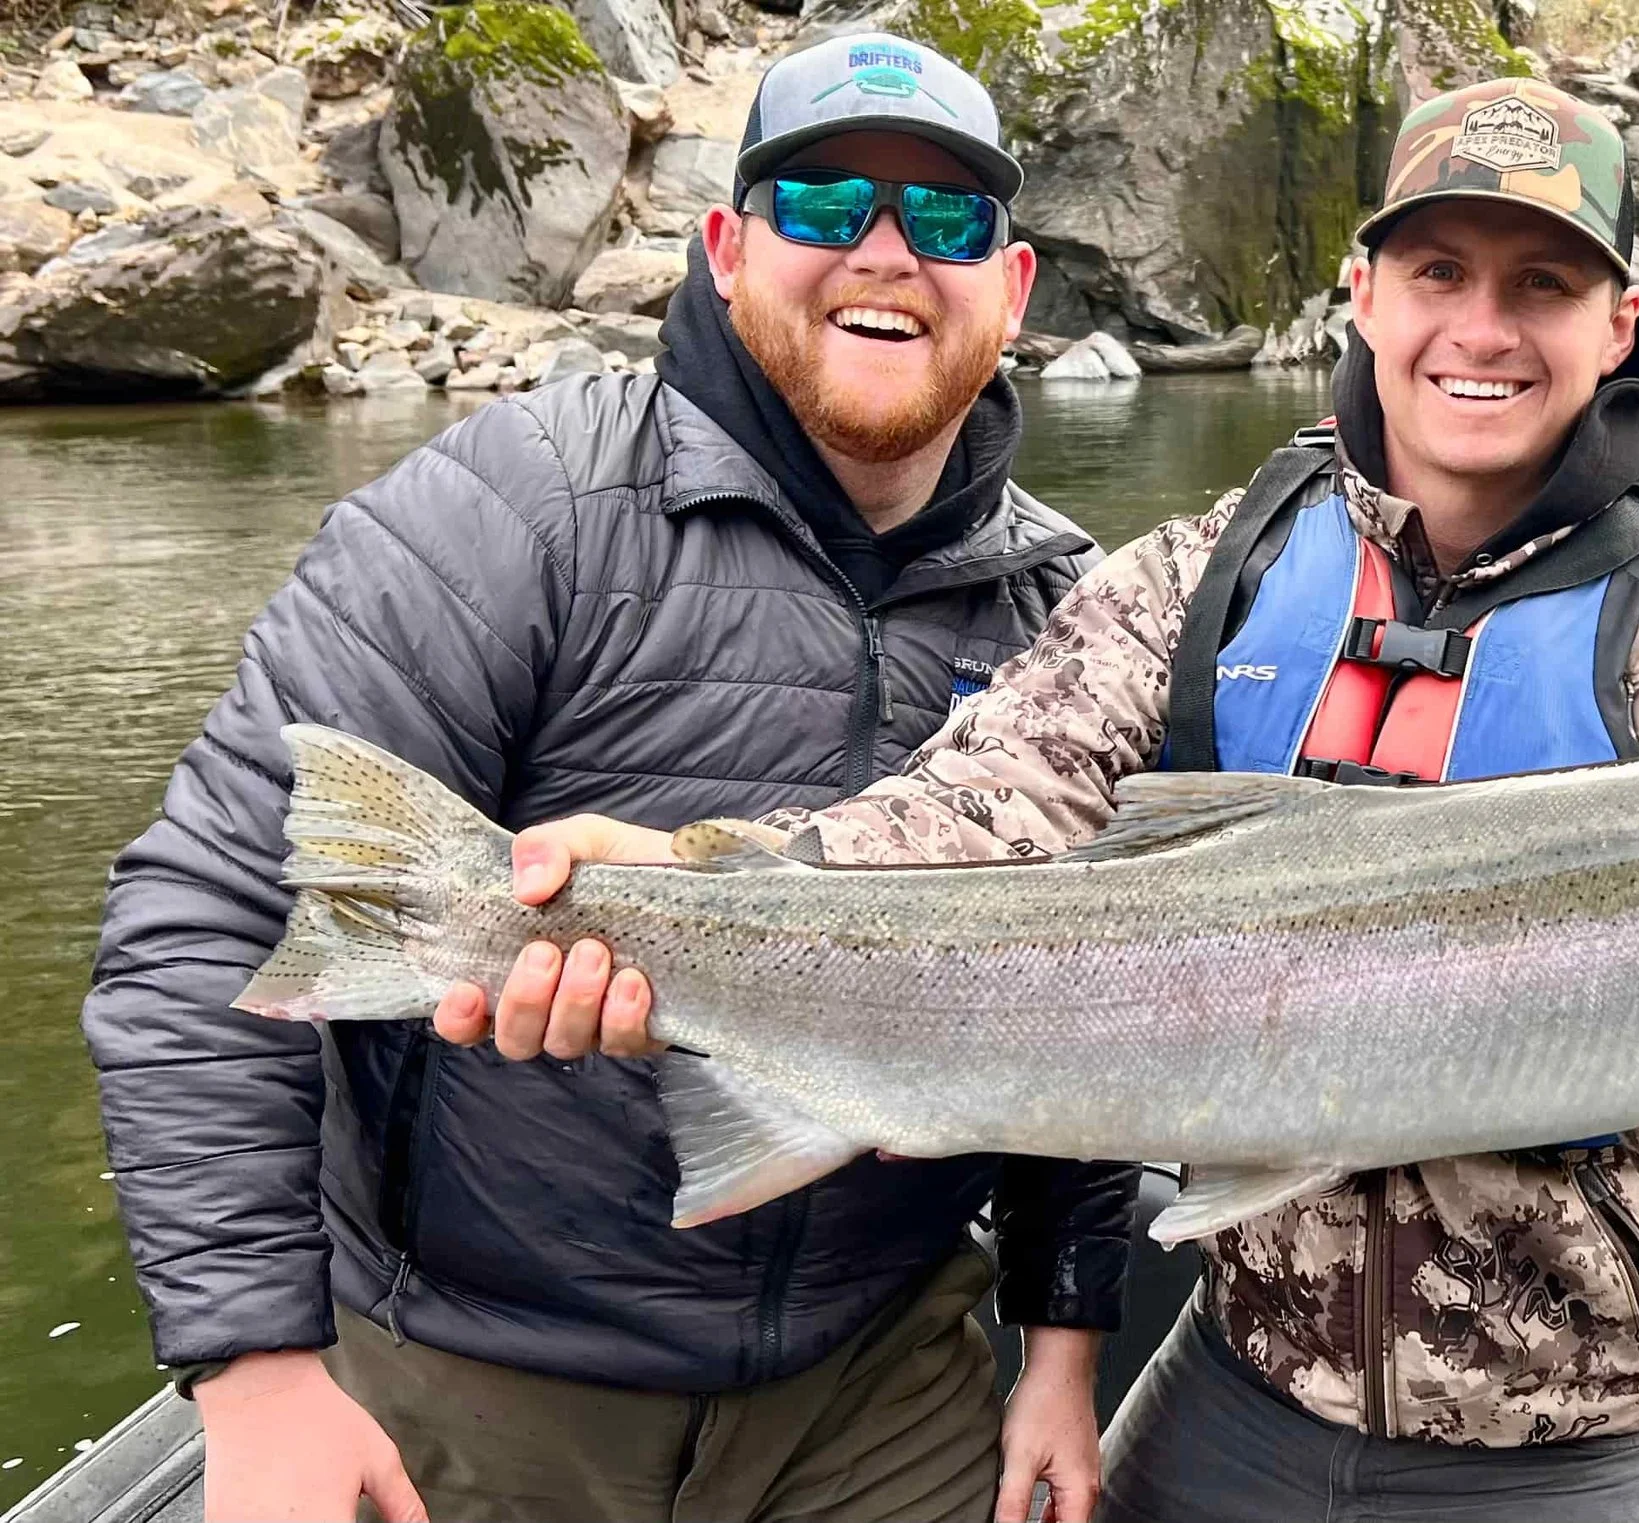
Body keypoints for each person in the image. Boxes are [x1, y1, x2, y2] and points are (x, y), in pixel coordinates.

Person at [439, 77, 1639, 1523]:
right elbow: (974, 814)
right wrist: (696, 883)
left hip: (1586, 1452)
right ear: (1364, 296)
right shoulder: (1194, 588)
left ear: (1617, 326)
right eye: (1440, 272)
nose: (1482, 330)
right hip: (1236, 1395)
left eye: (1543, 284)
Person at [81, 33, 1136, 1523]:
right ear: (724, 250)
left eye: (948, 219)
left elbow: (1108, 1020)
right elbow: (204, 918)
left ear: (1014, 289)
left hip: (883, 1377)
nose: (887, 254)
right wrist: (257, 1376)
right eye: (828, 206)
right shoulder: (513, 508)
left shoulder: (1072, 617)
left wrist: (1064, 1347)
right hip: (481, 1371)